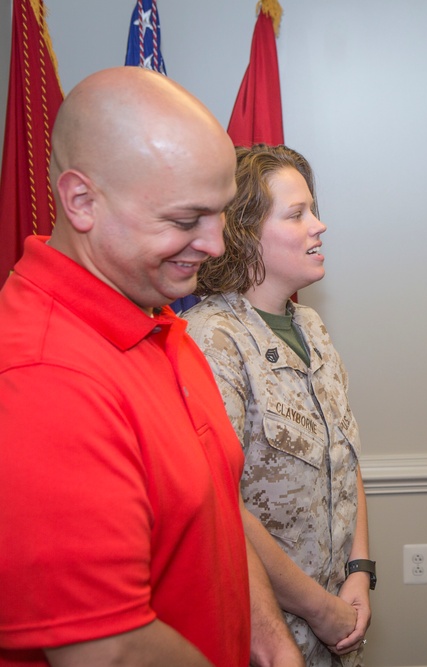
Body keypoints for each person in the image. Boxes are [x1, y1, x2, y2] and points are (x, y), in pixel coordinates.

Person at [0, 68, 301, 666]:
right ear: (81, 200)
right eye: (186, 220)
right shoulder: (44, 379)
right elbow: (110, 653)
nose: (216, 244)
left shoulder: (158, 322)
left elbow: (213, 513)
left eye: (218, 214)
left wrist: (269, 638)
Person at [184, 144, 373, 666]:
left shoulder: (309, 325)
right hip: (266, 632)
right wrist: (320, 610)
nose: (320, 226)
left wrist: (360, 573)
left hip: (338, 616)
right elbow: (222, 509)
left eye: (312, 209)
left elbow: (344, 455)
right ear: (244, 235)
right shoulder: (211, 341)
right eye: (297, 214)